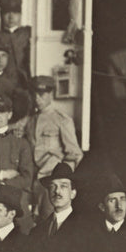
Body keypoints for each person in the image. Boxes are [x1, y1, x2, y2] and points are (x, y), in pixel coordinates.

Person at [26, 76, 84, 220]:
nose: (37, 98)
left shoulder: (61, 119)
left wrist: (61, 175)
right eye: (34, 94)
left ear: (50, 94)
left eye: (41, 94)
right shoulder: (30, 121)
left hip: (51, 181)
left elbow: (75, 154)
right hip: (34, 181)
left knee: (51, 220)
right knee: (34, 223)